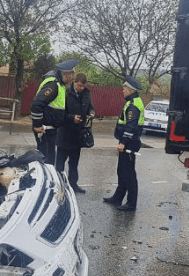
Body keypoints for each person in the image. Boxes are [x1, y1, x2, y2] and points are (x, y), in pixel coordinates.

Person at [103, 75, 144, 211]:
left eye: (125, 88)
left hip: (130, 143)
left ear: (131, 90)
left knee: (129, 174)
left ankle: (131, 203)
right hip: (126, 142)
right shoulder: (131, 102)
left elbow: (131, 126)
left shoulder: (133, 105)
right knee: (122, 171)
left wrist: (123, 142)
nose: (123, 90)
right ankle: (117, 198)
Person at [30, 59, 77, 164]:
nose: (71, 79)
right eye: (71, 76)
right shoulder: (53, 85)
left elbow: (58, 108)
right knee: (46, 160)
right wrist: (37, 125)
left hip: (50, 130)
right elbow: (37, 104)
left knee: (49, 158)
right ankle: (44, 179)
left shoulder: (60, 85)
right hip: (45, 130)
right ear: (66, 74)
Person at [56, 72, 95, 193]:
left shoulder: (86, 94)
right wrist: (72, 118)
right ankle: (58, 185)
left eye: (83, 86)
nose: (81, 88)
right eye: (79, 86)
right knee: (60, 162)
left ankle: (73, 184)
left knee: (74, 162)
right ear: (74, 82)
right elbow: (61, 113)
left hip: (78, 134)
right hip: (65, 133)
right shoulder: (66, 92)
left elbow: (90, 107)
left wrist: (91, 113)